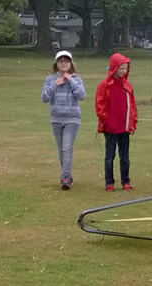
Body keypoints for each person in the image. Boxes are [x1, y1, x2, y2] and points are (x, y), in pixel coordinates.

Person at [42, 50, 85, 190]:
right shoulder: (50, 79)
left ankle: (65, 177)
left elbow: (81, 95)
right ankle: (67, 174)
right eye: (61, 61)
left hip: (72, 118)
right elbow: (45, 98)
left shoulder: (76, 79)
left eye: (66, 61)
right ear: (56, 64)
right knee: (61, 150)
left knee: (67, 148)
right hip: (56, 118)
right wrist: (56, 84)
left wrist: (70, 80)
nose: (64, 63)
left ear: (71, 63)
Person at [94, 52, 138, 191]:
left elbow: (132, 106)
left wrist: (133, 122)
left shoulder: (127, 86)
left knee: (125, 157)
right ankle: (109, 182)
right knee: (109, 156)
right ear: (114, 68)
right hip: (110, 128)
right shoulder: (105, 85)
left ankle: (126, 181)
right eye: (121, 68)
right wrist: (106, 119)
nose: (124, 71)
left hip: (124, 127)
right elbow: (99, 104)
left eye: (125, 68)